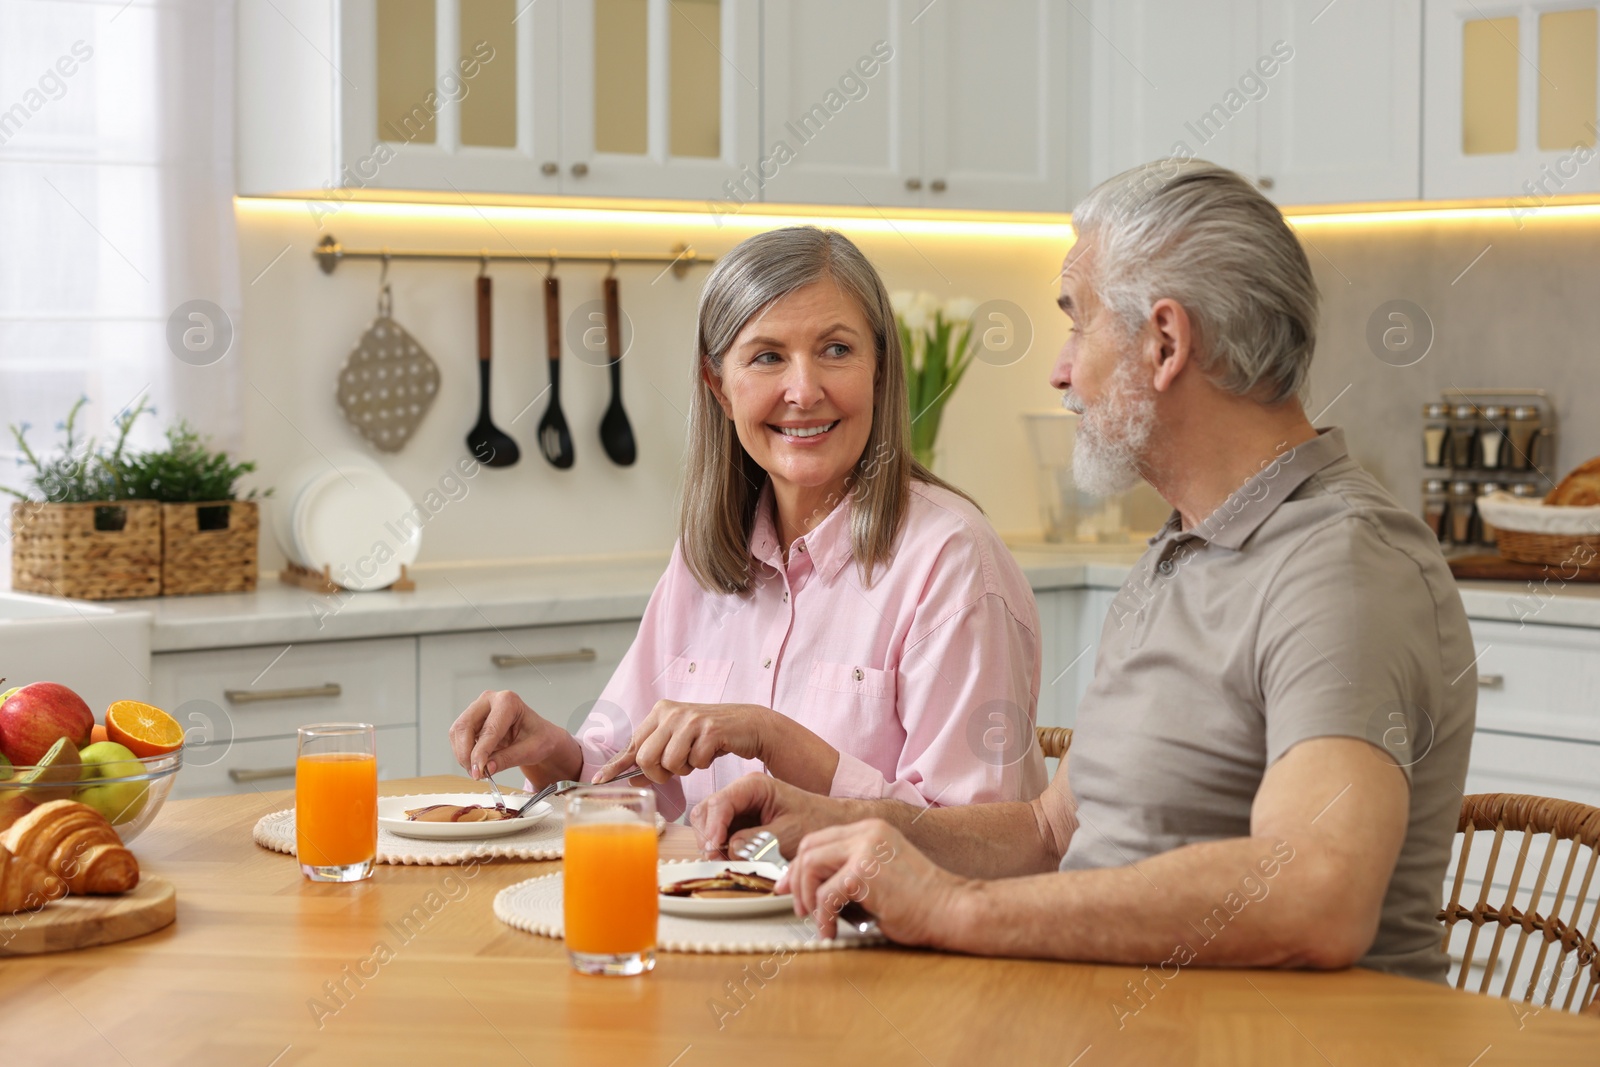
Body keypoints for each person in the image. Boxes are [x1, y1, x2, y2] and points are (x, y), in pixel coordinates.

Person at [692, 160, 1477, 985]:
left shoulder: (1341, 565)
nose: (1060, 372)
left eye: (1078, 326)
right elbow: (1047, 831)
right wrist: (832, 822)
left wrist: (956, 909)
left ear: (1165, 343)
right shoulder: (1184, 551)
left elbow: (1318, 894)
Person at [451, 226, 1047, 820]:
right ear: (720, 387)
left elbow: (980, 846)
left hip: (861, 918)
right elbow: (630, 783)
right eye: (767, 357)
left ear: (880, 370)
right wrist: (555, 752)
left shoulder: (952, 560)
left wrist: (773, 738)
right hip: (706, 907)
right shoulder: (705, 558)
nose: (804, 390)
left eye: (837, 350)